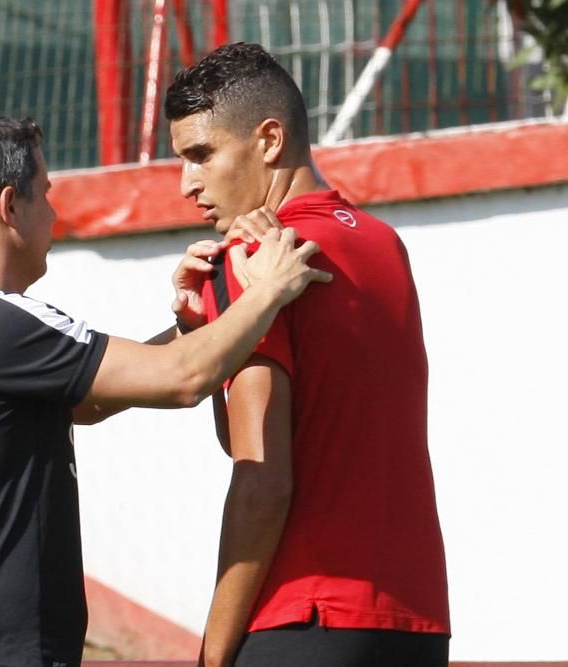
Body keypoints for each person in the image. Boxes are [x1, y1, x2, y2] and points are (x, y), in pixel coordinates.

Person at [0, 114, 330, 667]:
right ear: (9, 206)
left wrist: (192, 325)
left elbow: (87, 403)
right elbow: (184, 379)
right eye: (44, 193)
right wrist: (269, 292)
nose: (54, 211)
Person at [165, 42, 451, 667]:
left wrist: (213, 654)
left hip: (306, 618)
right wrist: (204, 332)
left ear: (269, 140)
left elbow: (261, 473)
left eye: (200, 154)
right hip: (416, 624)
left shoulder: (254, 257)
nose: (187, 183)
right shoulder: (384, 245)